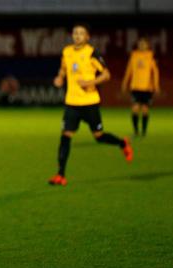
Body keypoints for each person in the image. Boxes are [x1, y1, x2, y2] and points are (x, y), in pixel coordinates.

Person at [49, 23, 133, 186]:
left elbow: (106, 74)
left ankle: (122, 143)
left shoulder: (92, 53)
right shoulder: (67, 51)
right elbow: (63, 69)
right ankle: (60, 175)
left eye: (81, 33)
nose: (77, 36)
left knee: (99, 137)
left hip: (89, 103)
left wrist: (91, 82)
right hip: (72, 102)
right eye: (75, 33)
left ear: (87, 37)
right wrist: (60, 77)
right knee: (65, 136)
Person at [122, 37, 160, 137]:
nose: (142, 45)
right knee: (134, 109)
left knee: (144, 110)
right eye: (140, 44)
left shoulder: (151, 56)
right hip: (135, 87)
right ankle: (135, 131)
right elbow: (128, 71)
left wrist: (156, 86)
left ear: (148, 45)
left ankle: (144, 132)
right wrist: (125, 83)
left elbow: (155, 72)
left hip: (147, 88)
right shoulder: (134, 56)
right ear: (138, 45)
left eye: (144, 44)